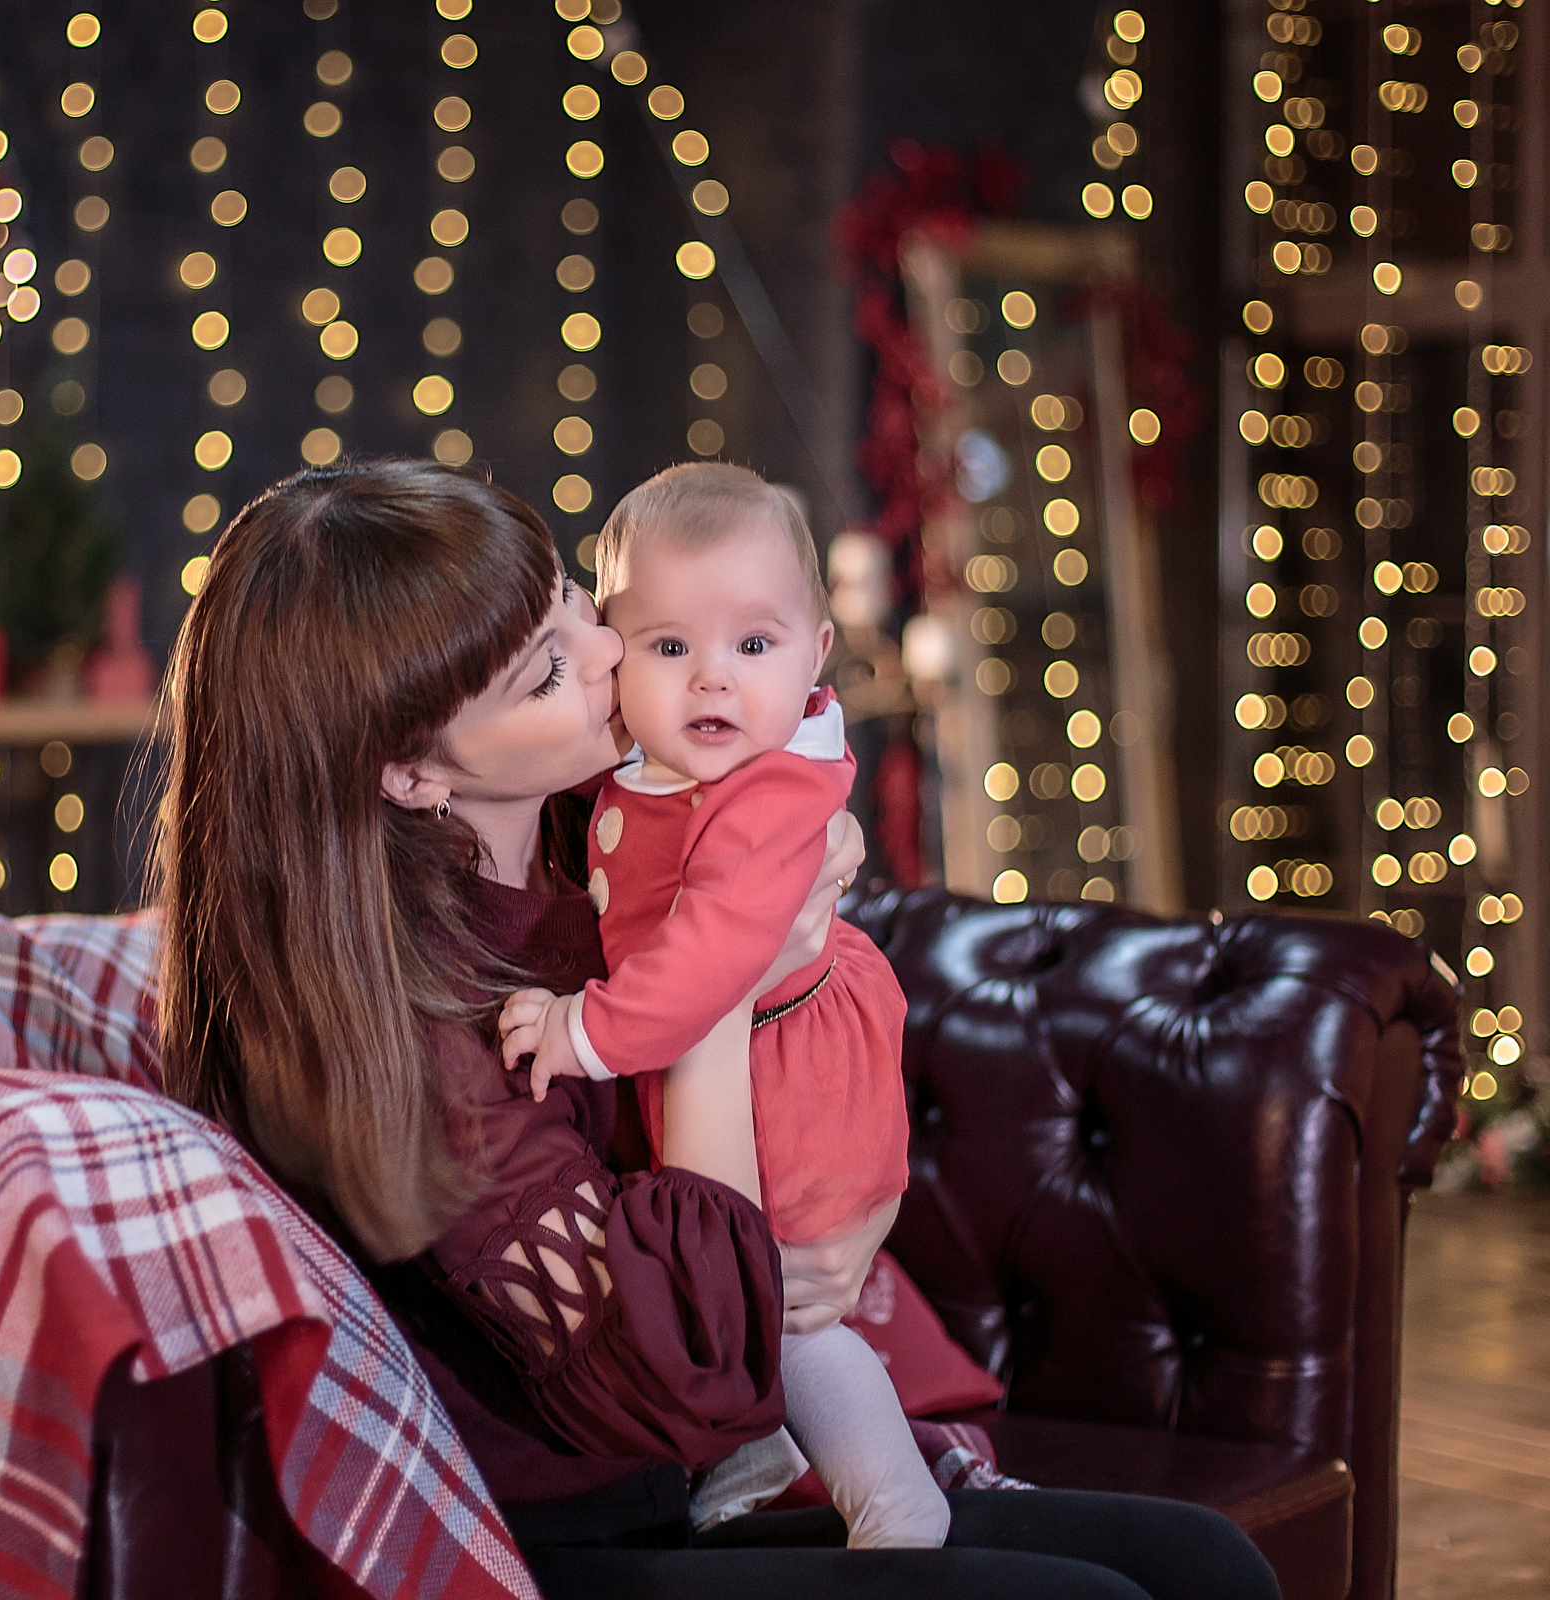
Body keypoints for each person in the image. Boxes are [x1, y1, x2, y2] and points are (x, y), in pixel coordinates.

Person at [156, 459, 1279, 1600]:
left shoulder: (582, 833)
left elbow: (789, 888)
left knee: (1207, 1567)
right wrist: (715, 993)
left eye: (571, 603)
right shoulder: (425, 1040)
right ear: (409, 771)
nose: (611, 651)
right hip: (560, 1547)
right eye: (548, 670)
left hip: (685, 1488)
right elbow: (699, 1370)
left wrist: (796, 896)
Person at [498, 463, 941, 1546]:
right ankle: (751, 1451)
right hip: (737, 1072)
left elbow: (703, 966)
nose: (712, 684)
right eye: (666, 647)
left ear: (815, 658)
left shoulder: (761, 796)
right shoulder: (632, 780)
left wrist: (578, 1031)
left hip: (787, 1069)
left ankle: (891, 1496)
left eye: (755, 647)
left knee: (780, 1289)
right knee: (757, 1282)